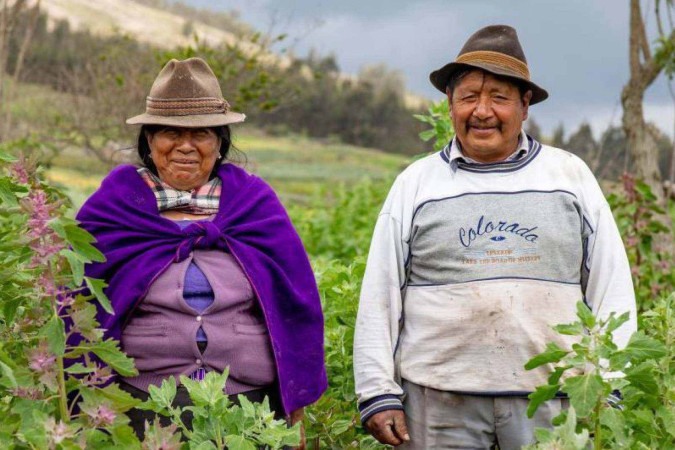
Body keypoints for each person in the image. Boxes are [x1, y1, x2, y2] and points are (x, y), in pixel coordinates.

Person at [353, 25, 637, 449]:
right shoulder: (417, 184)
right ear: (450, 104)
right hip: (438, 402)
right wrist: (377, 391)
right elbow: (381, 291)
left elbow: (610, 286)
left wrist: (610, 382)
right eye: (468, 96)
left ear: (525, 106)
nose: (482, 111)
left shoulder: (569, 176)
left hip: (551, 399)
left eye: (499, 98)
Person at [76, 57, 326, 445]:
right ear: (149, 140)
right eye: (170, 132)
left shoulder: (253, 204)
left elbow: (295, 301)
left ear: (220, 142)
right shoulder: (116, 204)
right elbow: (76, 299)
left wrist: (296, 401)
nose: (186, 146)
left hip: (248, 408)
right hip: (143, 408)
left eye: (202, 133)